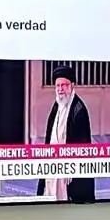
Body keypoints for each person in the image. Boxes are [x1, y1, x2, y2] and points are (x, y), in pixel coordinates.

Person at [36, 64, 96, 203]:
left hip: (69, 169)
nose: (60, 89)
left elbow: (82, 146)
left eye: (64, 85)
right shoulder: (58, 104)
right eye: (58, 86)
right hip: (54, 166)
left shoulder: (78, 110)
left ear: (72, 86)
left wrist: (71, 167)